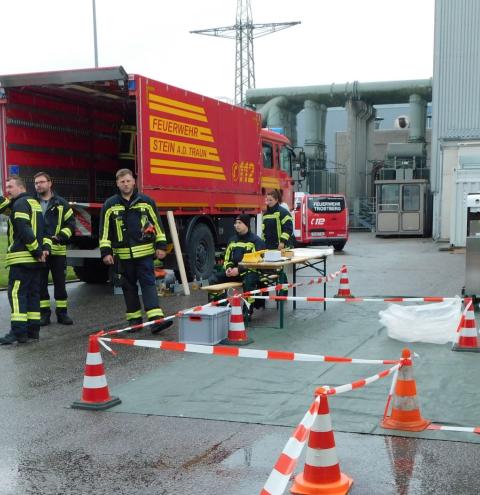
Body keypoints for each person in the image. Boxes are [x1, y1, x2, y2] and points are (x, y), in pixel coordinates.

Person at [99, 169, 172, 334]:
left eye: (128, 181)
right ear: (117, 184)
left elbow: (158, 226)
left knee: (148, 284)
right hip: (123, 256)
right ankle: (134, 321)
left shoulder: (146, 202)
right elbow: (104, 231)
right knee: (128, 287)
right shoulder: (110, 205)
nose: (125, 184)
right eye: (122, 181)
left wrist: (161, 246)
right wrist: (106, 252)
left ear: (134, 181)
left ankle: (155, 320)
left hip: (144, 255)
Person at [0, 175, 46, 345]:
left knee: (17, 294)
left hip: (22, 259)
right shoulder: (34, 203)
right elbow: (44, 229)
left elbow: (24, 228)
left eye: (10, 187)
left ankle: (18, 332)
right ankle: (33, 331)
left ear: (21, 187)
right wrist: (41, 251)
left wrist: (36, 250)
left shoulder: (19, 204)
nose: (8, 191)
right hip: (35, 261)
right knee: (33, 294)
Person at [34, 172, 76, 326]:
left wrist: (60, 237)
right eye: (36, 183)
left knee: (60, 283)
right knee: (40, 283)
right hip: (39, 251)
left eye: (41, 182)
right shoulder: (32, 203)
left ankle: (62, 314)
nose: (38, 185)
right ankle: (44, 314)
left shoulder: (61, 203)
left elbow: (71, 224)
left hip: (57, 250)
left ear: (50, 183)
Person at [209, 214, 265, 308]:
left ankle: (247, 311)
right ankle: (225, 307)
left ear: (246, 224)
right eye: (235, 223)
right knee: (213, 279)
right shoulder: (232, 240)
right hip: (234, 273)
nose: (236, 225)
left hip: (250, 272)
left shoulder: (256, 241)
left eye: (239, 223)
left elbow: (256, 262)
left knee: (249, 282)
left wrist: (239, 270)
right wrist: (228, 268)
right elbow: (227, 258)